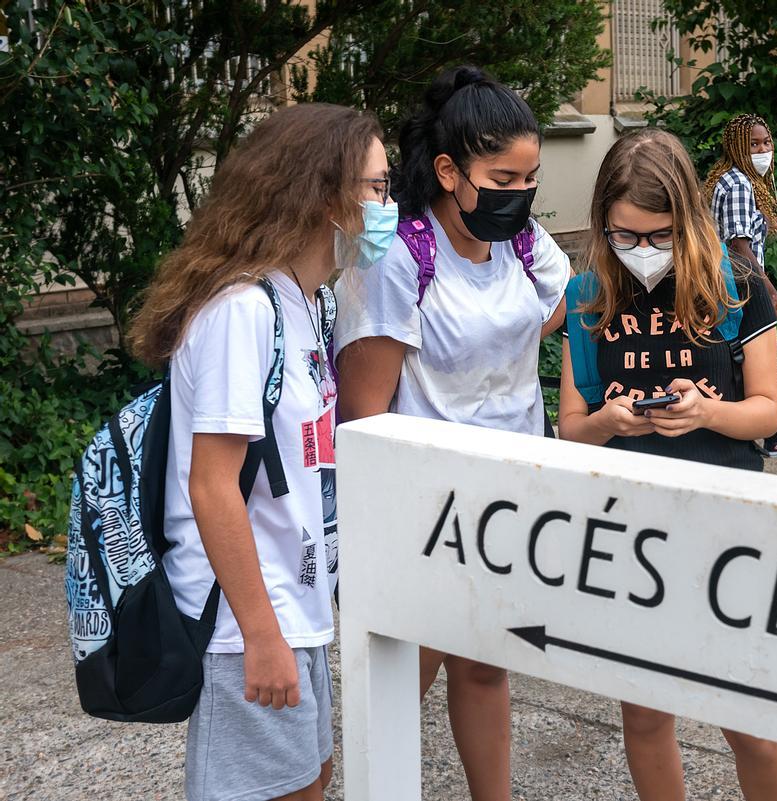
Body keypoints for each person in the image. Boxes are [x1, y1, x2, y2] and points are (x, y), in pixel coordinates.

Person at [126, 103, 388, 801]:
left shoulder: (304, 299)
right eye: (377, 187)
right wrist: (261, 635)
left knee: (309, 780)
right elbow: (210, 485)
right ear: (324, 194)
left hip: (292, 603)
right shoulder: (241, 311)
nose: (388, 204)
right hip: (246, 618)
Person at [333, 66, 570, 801]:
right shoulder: (400, 257)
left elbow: (556, 308)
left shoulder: (522, 244)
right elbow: (363, 414)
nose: (521, 193)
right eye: (505, 175)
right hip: (428, 509)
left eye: (530, 176)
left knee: (487, 663)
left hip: (511, 495)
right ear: (448, 169)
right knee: (410, 670)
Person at [558, 127, 777, 801]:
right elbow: (570, 430)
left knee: (749, 720)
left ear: (687, 219)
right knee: (645, 709)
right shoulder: (588, 296)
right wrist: (607, 420)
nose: (641, 253)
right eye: (624, 236)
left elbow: (768, 412)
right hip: (630, 527)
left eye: (658, 235)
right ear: (603, 226)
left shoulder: (736, 284)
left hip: (728, 524)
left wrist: (707, 412)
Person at [704, 113, 777, 458]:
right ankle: (771, 434)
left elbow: (738, 229)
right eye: (754, 144)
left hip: (729, 283)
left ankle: (754, 431)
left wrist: (770, 223)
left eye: (766, 142)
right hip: (741, 286)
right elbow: (737, 245)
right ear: (737, 146)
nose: (763, 149)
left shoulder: (732, 179)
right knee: (753, 361)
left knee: (737, 361)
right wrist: (770, 292)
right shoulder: (738, 183)